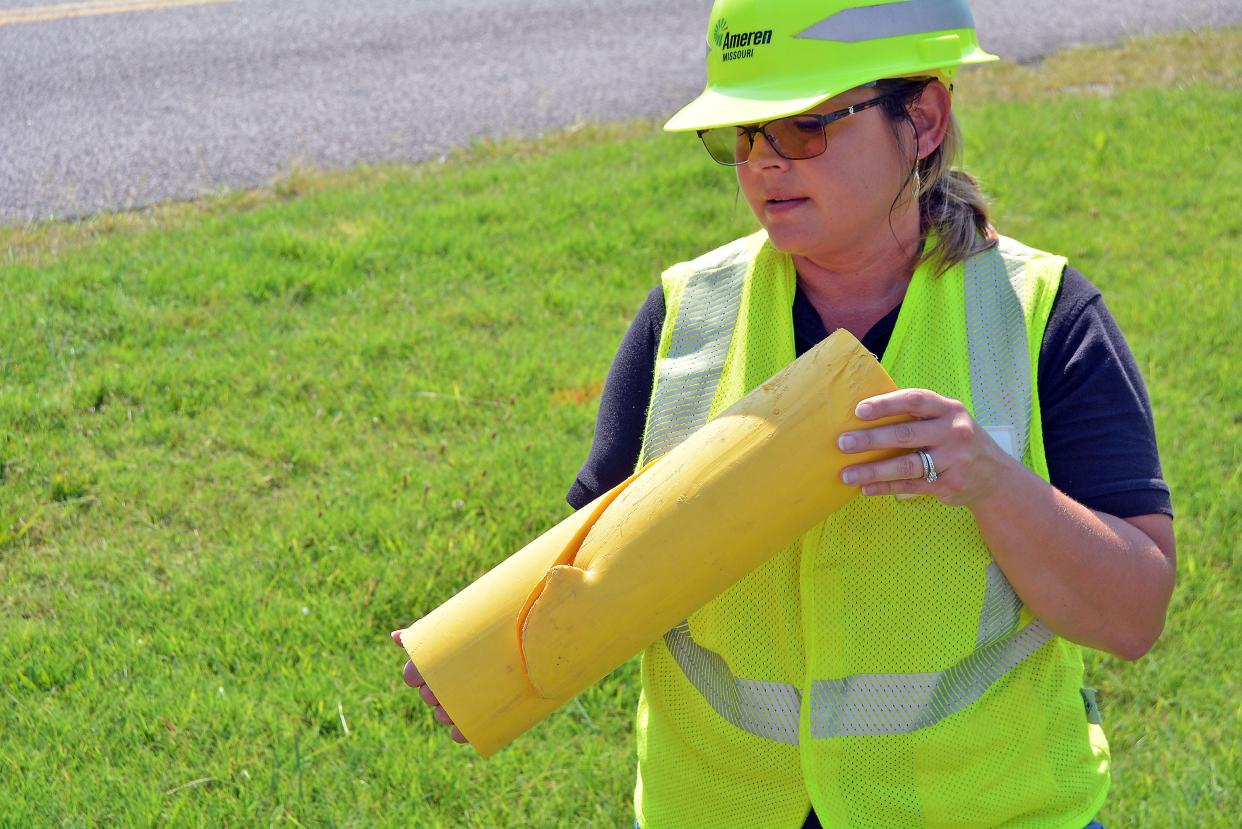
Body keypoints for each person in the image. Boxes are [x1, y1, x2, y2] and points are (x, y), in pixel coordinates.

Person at [394, 0, 1175, 826]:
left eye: (803, 127)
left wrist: (991, 481)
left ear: (924, 117)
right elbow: (592, 567)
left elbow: (1134, 615)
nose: (765, 164)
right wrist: (481, 661)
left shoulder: (1044, 314)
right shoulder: (685, 315)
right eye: (742, 134)